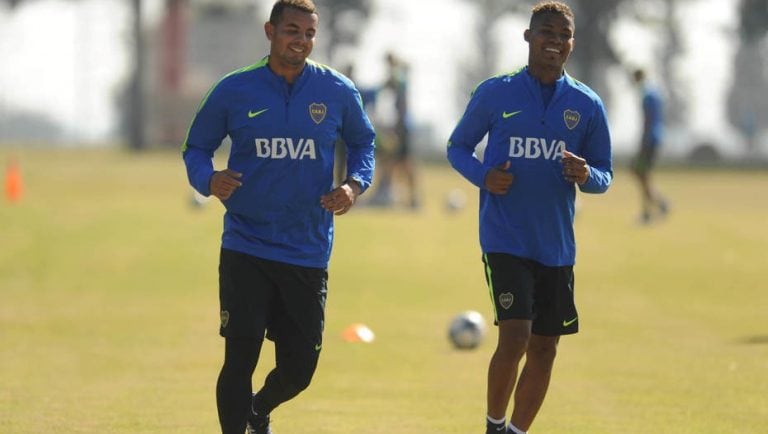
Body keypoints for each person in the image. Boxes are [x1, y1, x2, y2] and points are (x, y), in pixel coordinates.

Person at [181, 1, 376, 433]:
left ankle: (259, 409)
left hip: (307, 249)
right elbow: (195, 148)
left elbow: (364, 144)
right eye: (292, 30)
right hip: (246, 244)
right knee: (240, 355)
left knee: (299, 370)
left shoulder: (338, 91)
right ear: (270, 31)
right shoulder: (234, 89)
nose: (301, 40)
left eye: (309, 33)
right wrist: (208, 180)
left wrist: (353, 185)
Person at [446, 2, 612, 433]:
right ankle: (494, 425)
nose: (554, 41)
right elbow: (457, 147)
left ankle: (517, 431)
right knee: (515, 335)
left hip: (555, 245)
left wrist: (586, 174)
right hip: (505, 239)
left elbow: (604, 176)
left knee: (545, 348)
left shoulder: (587, 103)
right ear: (528, 37)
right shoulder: (495, 93)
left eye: (563, 35)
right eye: (546, 32)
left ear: (571, 43)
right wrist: (484, 177)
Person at [367, 51, 419, 209]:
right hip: (398, 126)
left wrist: (395, 128)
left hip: (400, 127)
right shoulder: (399, 76)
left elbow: (394, 98)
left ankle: (411, 198)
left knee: (403, 162)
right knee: (391, 161)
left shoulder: (397, 77)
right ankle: (387, 193)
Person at [631, 68, 669, 224]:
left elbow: (648, 120)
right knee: (642, 175)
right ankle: (655, 207)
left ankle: (654, 208)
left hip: (650, 139)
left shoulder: (646, 95)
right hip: (656, 137)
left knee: (640, 173)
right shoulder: (654, 92)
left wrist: (642, 142)